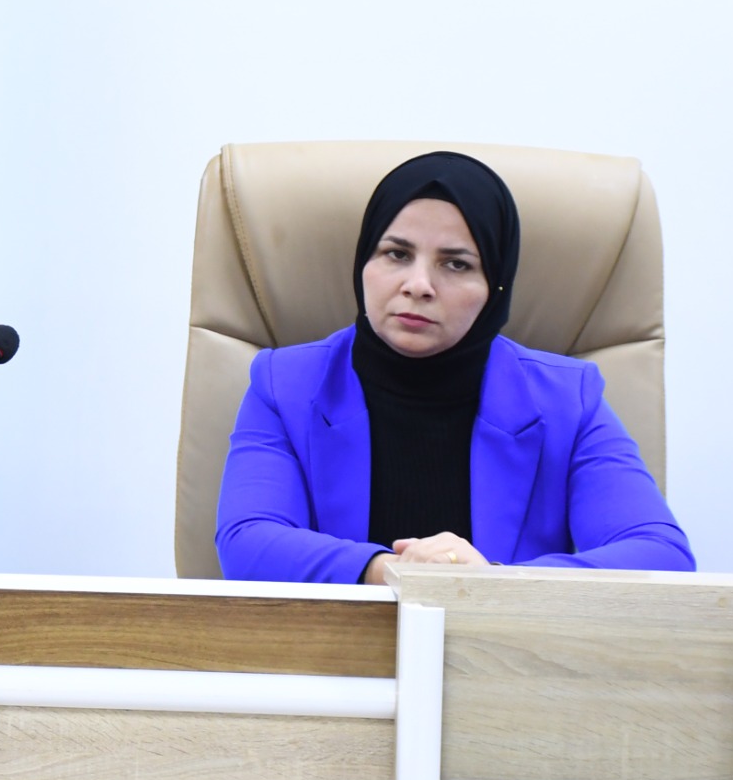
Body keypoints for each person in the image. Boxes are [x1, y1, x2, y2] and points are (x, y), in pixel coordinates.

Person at [216, 151, 690, 585]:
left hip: (502, 647)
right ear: (363, 263)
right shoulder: (284, 384)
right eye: (397, 254)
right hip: (334, 647)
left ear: (496, 286)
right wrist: (391, 572)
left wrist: (491, 583)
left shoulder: (568, 399)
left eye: (456, 264)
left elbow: (662, 557)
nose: (418, 284)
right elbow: (247, 542)